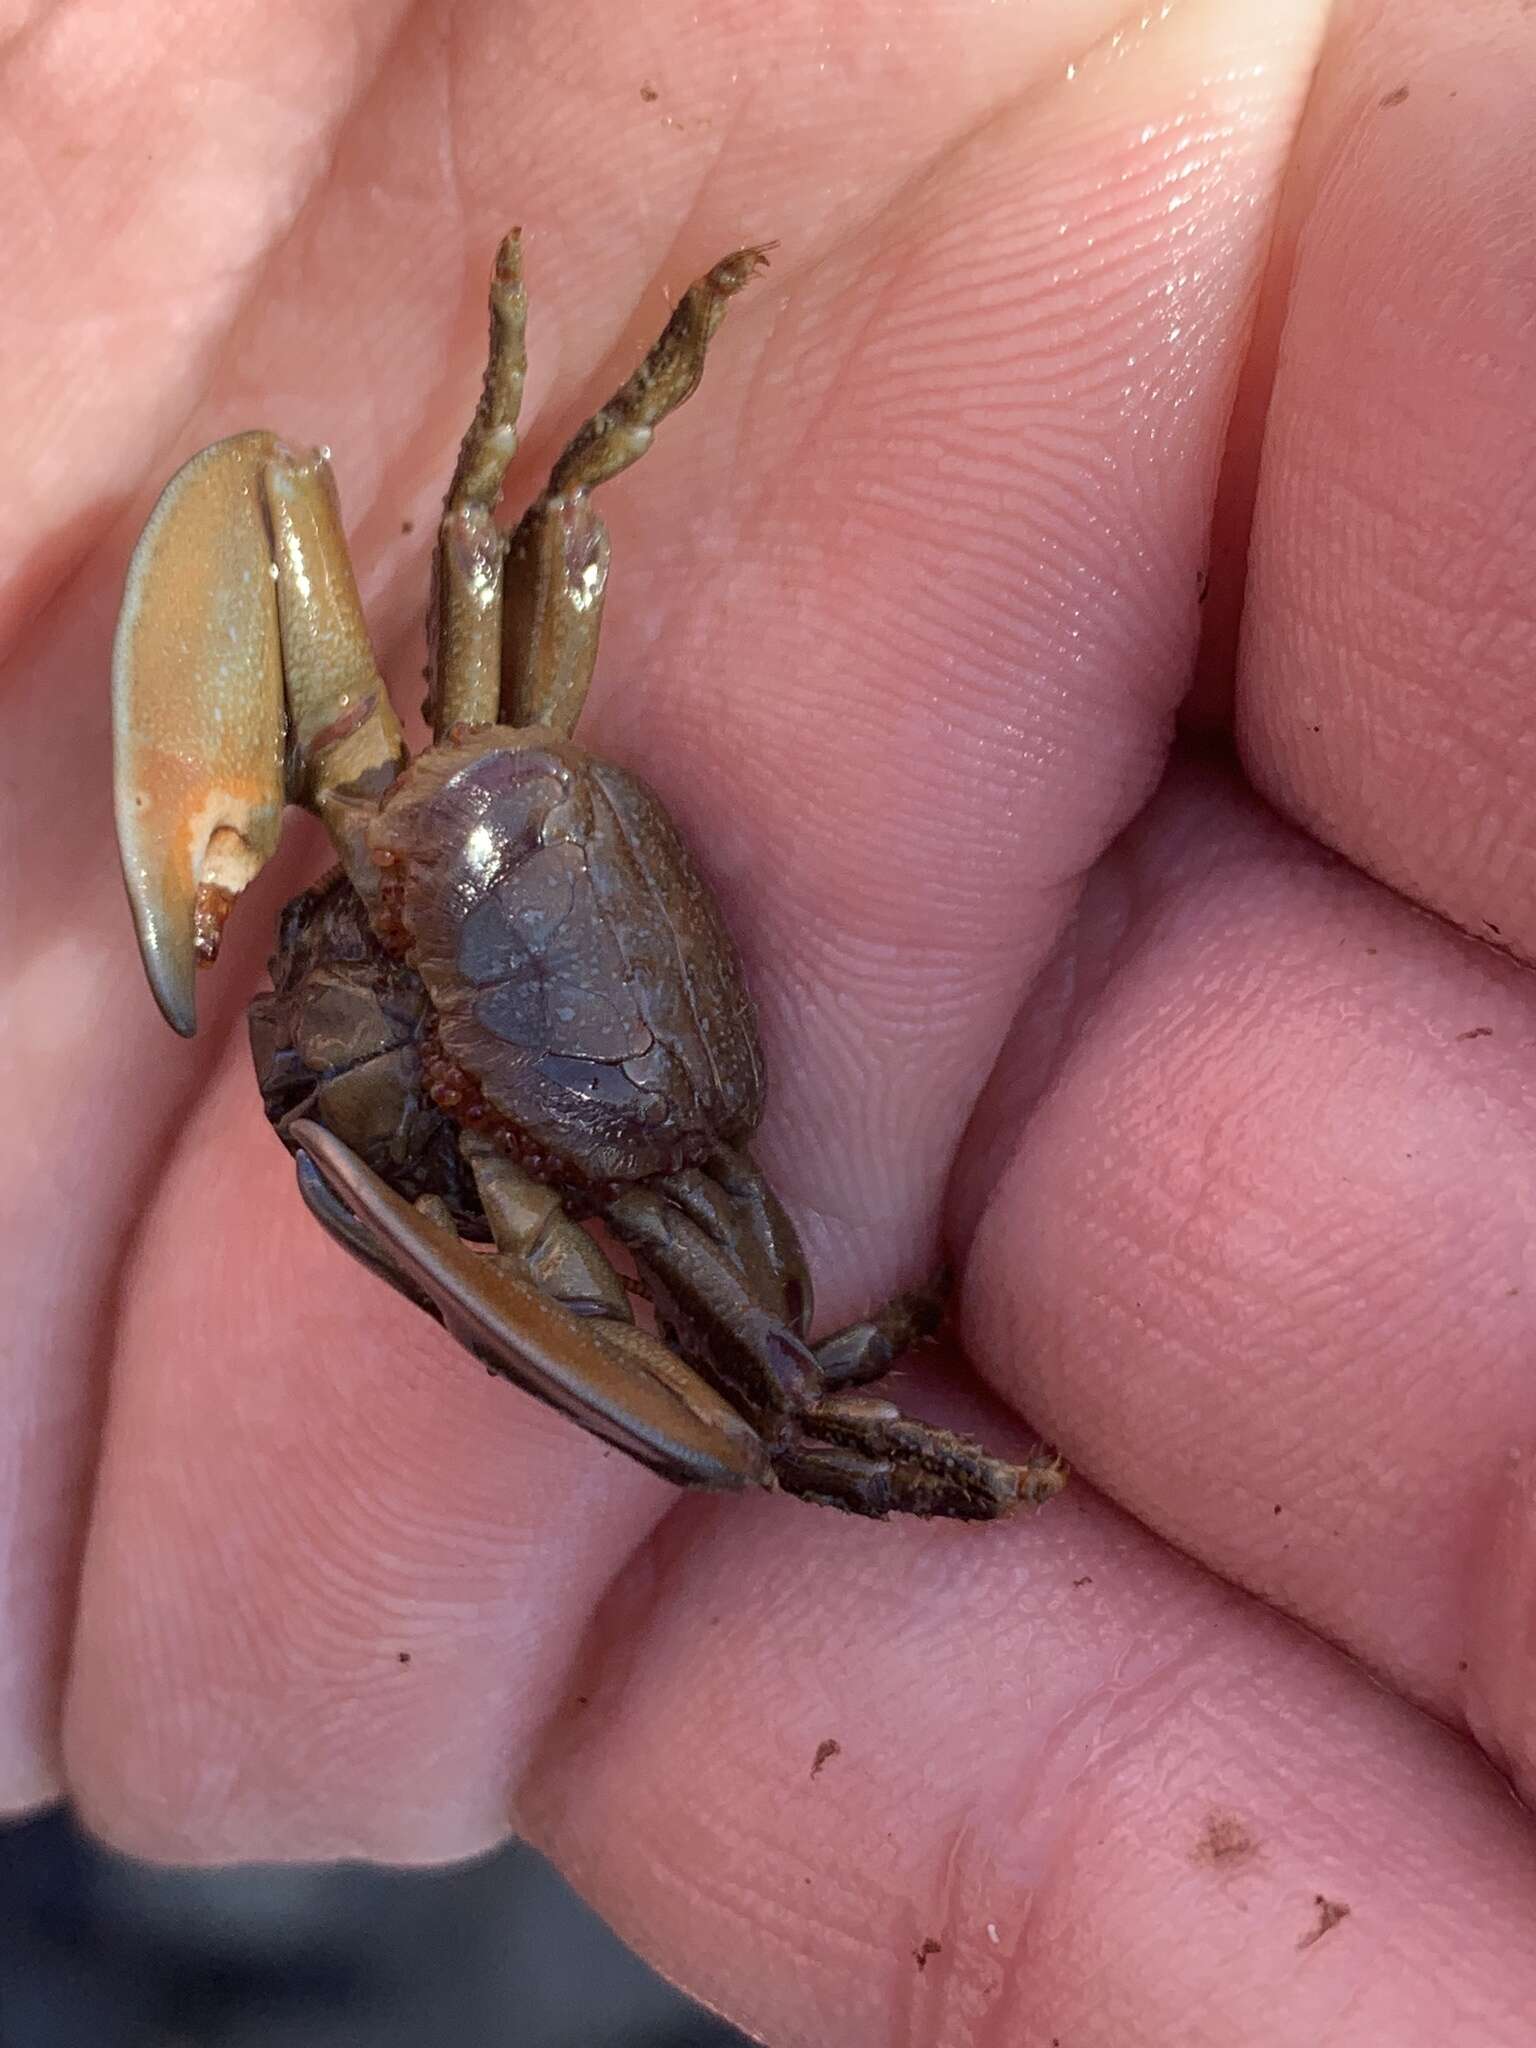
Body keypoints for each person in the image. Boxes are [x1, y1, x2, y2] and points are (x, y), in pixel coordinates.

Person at [4, 0, 1534, 2038]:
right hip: (531, 901)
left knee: (766, 1397)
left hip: (630, 1111)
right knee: (485, 523)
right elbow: (385, 490)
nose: (434, 1057)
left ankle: (919, 1475)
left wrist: (814, 1420)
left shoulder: (632, 1153)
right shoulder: (448, 755)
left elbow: (523, 501)